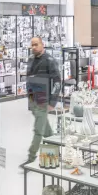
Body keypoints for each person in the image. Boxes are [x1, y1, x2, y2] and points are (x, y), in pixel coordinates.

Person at [22, 36, 60, 168]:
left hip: (44, 100)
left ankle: (31, 156)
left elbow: (57, 82)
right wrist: (30, 99)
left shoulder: (50, 60)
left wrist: (52, 102)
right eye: (32, 45)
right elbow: (29, 79)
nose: (33, 47)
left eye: (36, 44)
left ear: (42, 44)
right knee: (45, 127)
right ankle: (55, 150)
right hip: (33, 98)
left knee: (38, 129)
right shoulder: (31, 59)